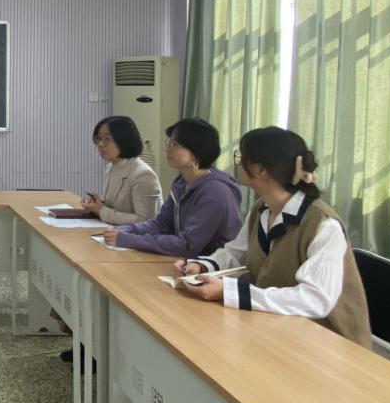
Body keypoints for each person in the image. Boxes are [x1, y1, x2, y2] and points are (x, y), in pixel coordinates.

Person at [175, 127, 371, 347]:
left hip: (329, 343)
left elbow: (315, 300)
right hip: (280, 327)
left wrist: (230, 291)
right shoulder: (262, 209)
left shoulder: (324, 225)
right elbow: (236, 253)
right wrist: (201, 267)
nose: (238, 163)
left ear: (260, 169)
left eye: (241, 157)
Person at [103, 118, 242, 257]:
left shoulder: (215, 192)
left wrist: (128, 240)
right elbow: (161, 224)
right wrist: (124, 230)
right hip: (186, 261)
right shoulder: (182, 182)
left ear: (197, 152)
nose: (168, 149)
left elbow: (186, 245)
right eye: (169, 142)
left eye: (175, 145)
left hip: (211, 265)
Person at [81, 116, 162, 224]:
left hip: (134, 234)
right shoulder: (111, 166)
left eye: (107, 139)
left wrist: (101, 210)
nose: (100, 144)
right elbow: (112, 206)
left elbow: (145, 221)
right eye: (99, 138)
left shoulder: (143, 174)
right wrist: (96, 205)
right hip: (112, 229)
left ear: (124, 140)